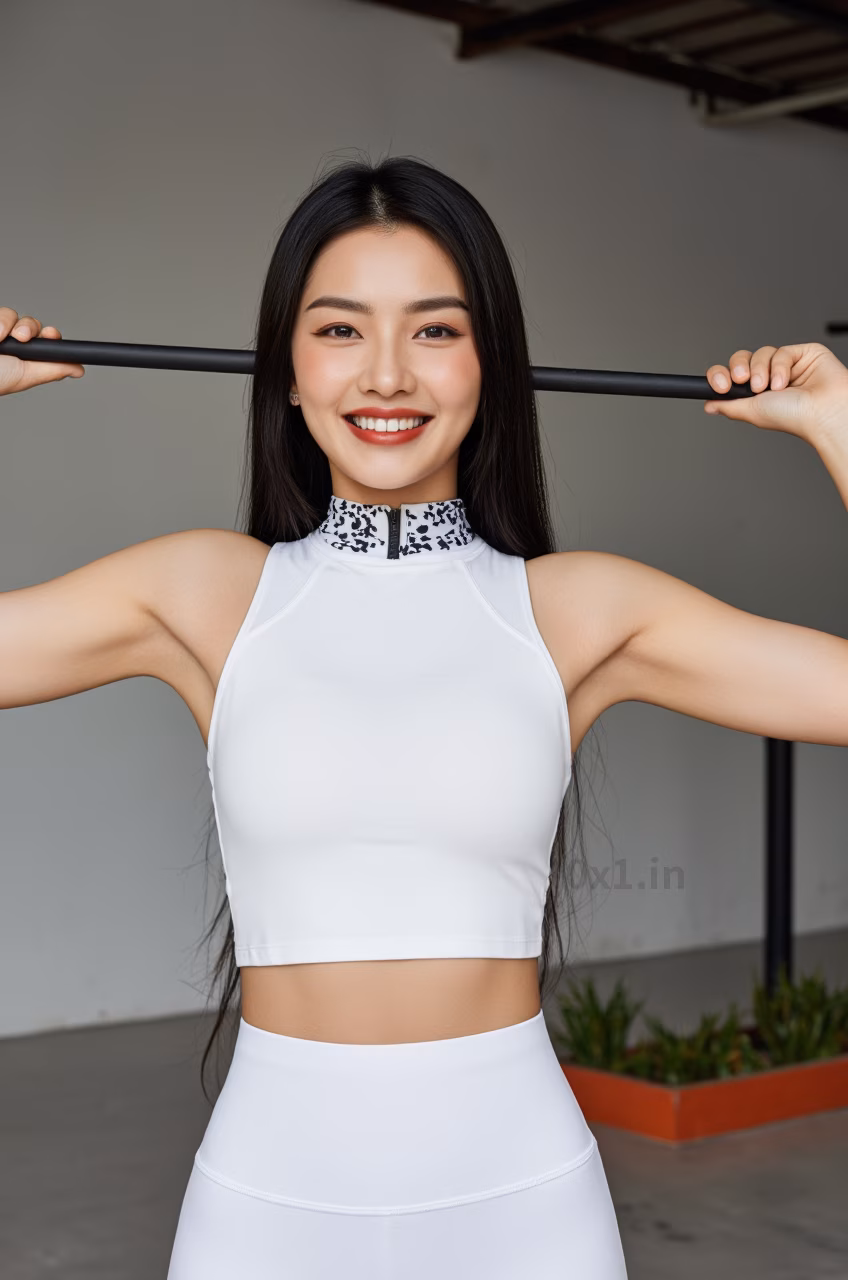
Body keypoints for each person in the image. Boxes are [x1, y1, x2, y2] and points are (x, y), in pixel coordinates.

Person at [2, 156, 846, 1280]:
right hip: (266, 1202)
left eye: (435, 330)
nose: (387, 374)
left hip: (522, 1205)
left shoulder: (577, 609)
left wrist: (840, 426)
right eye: (340, 330)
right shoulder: (203, 593)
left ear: (490, 364)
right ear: (286, 370)